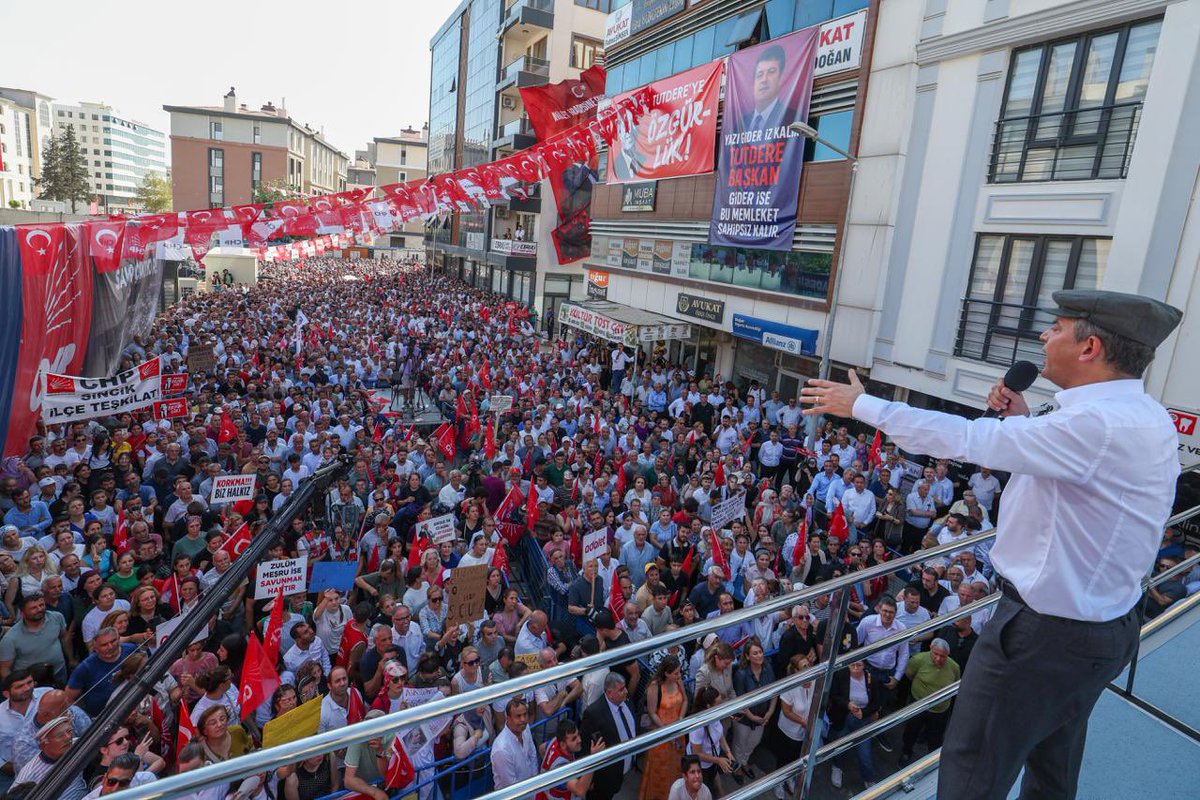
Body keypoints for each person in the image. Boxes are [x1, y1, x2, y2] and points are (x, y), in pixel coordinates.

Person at [801, 288, 1183, 799]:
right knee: (1052, 764)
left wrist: (864, 405)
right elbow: (1069, 479)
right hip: (1102, 627)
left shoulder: (1098, 425)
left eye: (1058, 328)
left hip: (1043, 636)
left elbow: (966, 438)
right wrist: (1021, 421)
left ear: (1089, 348)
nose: (1044, 336)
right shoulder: (1145, 415)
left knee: (972, 770)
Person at [580, 672, 638, 800]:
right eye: (621, 690)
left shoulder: (627, 704)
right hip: (603, 780)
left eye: (625, 687)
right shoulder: (593, 714)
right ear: (609, 693)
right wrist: (589, 778)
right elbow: (584, 748)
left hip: (621, 772)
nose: (626, 692)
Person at [640, 655, 689, 800]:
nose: (679, 676)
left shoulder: (678, 681)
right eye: (676, 673)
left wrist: (680, 719)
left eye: (679, 672)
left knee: (676, 767)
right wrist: (667, 731)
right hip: (662, 735)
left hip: (677, 732)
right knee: (660, 770)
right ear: (667, 673)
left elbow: (685, 700)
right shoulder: (655, 687)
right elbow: (652, 712)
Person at [490, 696, 538, 791]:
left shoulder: (525, 728)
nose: (523, 719)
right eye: (518, 716)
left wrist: (534, 783)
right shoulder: (501, 749)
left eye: (525, 714)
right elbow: (511, 786)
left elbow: (532, 755)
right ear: (508, 718)